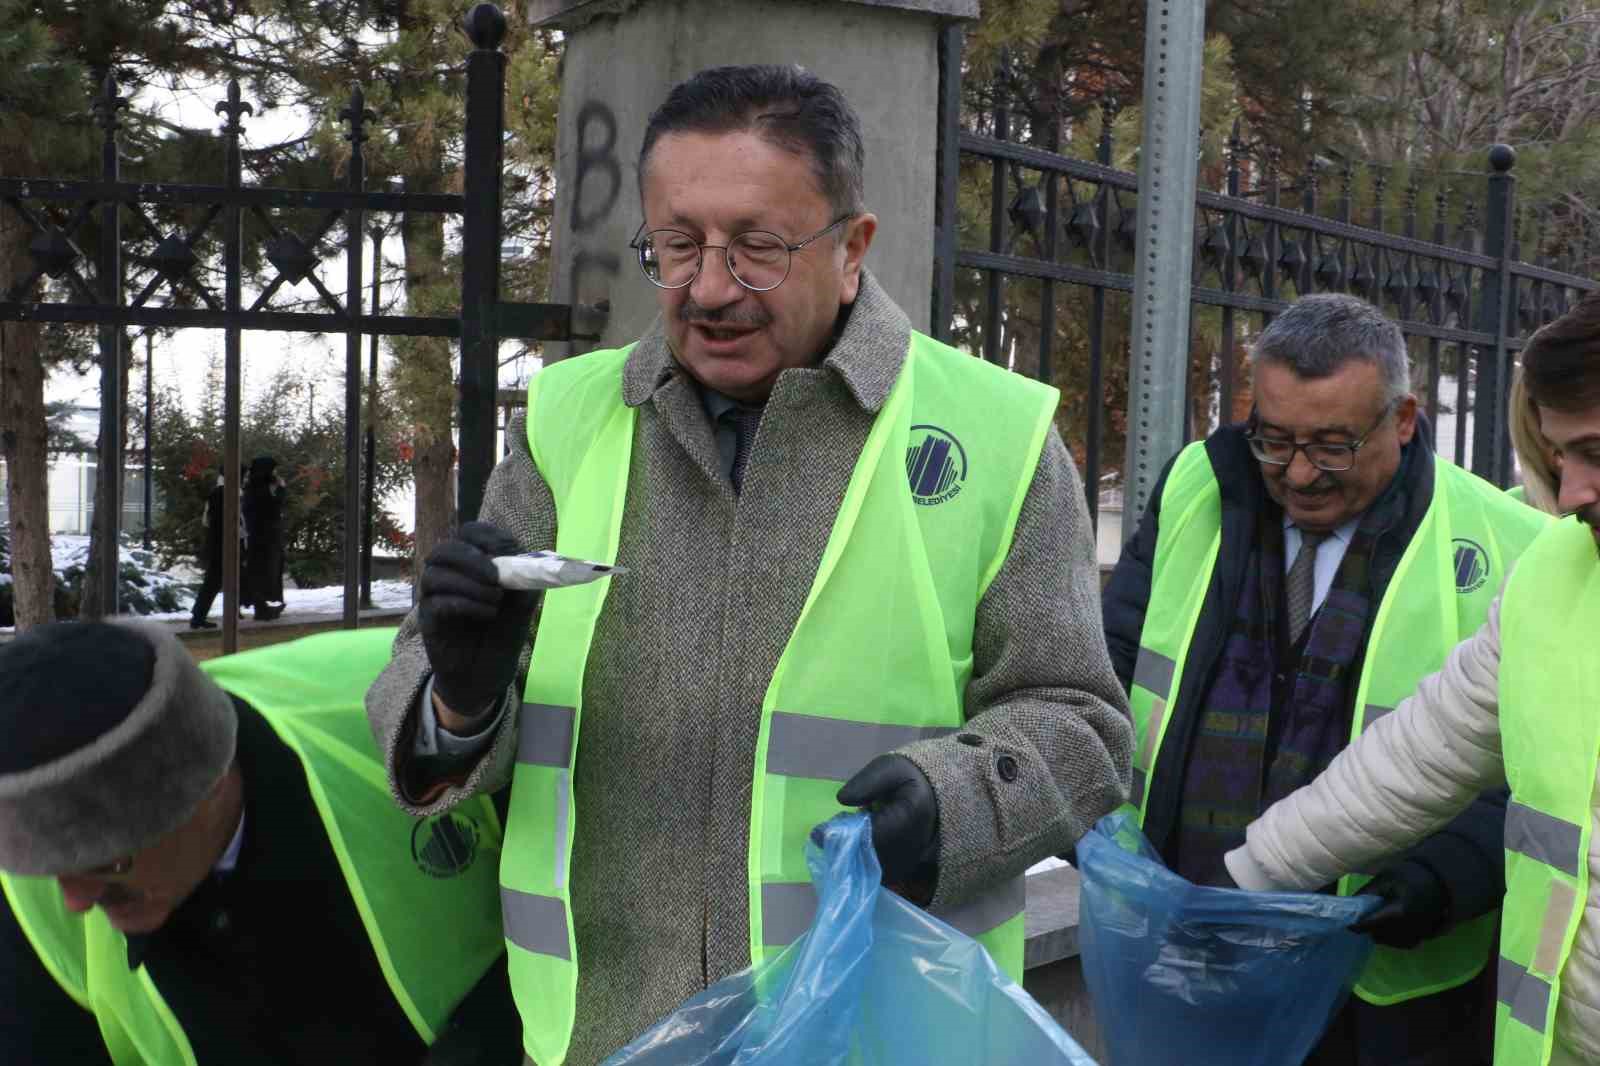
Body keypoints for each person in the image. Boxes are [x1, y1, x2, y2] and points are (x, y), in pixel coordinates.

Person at [366, 64, 1134, 1066]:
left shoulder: (994, 435)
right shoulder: (569, 419)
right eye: (677, 246)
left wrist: (950, 803)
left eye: (758, 250)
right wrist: (459, 703)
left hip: (870, 1037)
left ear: (851, 248)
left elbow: (1082, 730)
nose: (712, 288)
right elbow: (431, 694)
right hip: (605, 1040)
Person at [1100, 293, 1549, 1065]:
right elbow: (1105, 676)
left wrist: (1446, 877)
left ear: (1403, 420)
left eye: (1333, 446)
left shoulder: (1509, 543)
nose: (1300, 474)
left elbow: (1536, 768)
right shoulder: (1194, 491)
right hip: (1187, 943)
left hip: (1387, 976)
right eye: (1273, 441)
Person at [1226, 290, 1600, 1066]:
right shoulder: (1559, 576)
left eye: (1596, 453)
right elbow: (1417, 757)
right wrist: (1246, 880)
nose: (1569, 496)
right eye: (1561, 457)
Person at [0, 622, 522, 1066]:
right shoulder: (23, 896)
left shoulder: (419, 719)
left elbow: (590, 910)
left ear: (207, 785)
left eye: (110, 861)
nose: (72, 901)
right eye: (46, 865)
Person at [242, 456, 287, 621]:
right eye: (273, 470)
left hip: (261, 536)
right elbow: (273, 508)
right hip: (263, 537)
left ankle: (262, 607)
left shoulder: (254, 486)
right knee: (263, 573)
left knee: (262, 573)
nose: (276, 473)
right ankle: (261, 609)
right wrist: (281, 490)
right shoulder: (259, 488)